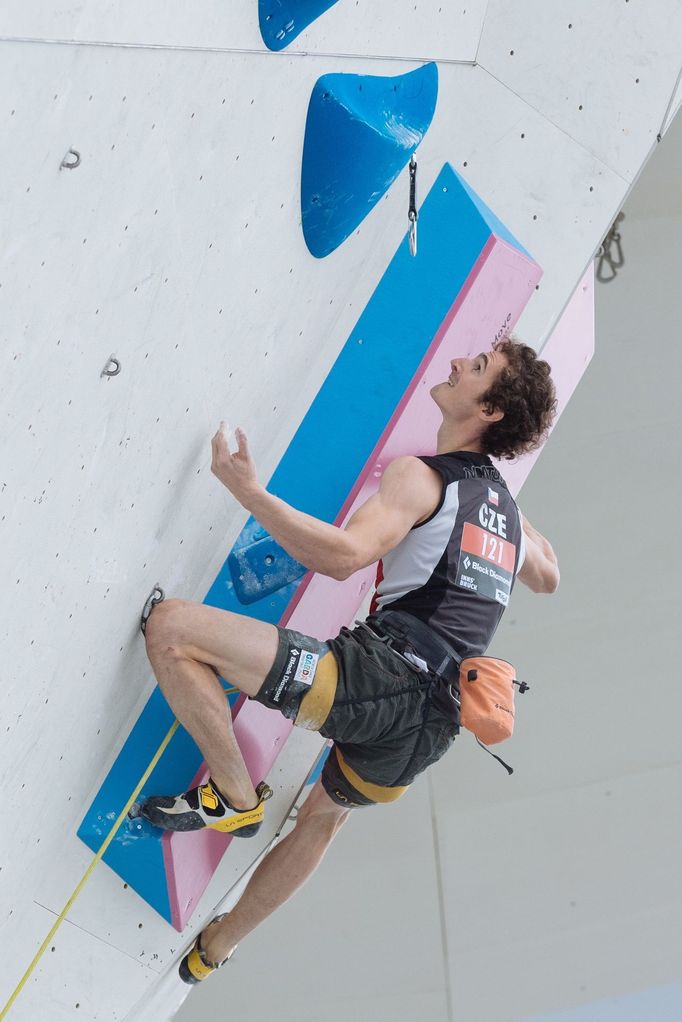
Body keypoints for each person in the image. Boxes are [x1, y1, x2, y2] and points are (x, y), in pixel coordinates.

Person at [139, 335, 560, 984]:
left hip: (374, 678)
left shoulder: (419, 477)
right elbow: (550, 576)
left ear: (491, 410)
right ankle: (212, 952)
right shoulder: (505, 514)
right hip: (432, 732)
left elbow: (341, 556)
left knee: (171, 630)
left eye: (476, 368)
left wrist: (250, 493)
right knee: (324, 821)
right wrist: (518, 522)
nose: (456, 362)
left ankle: (234, 795)